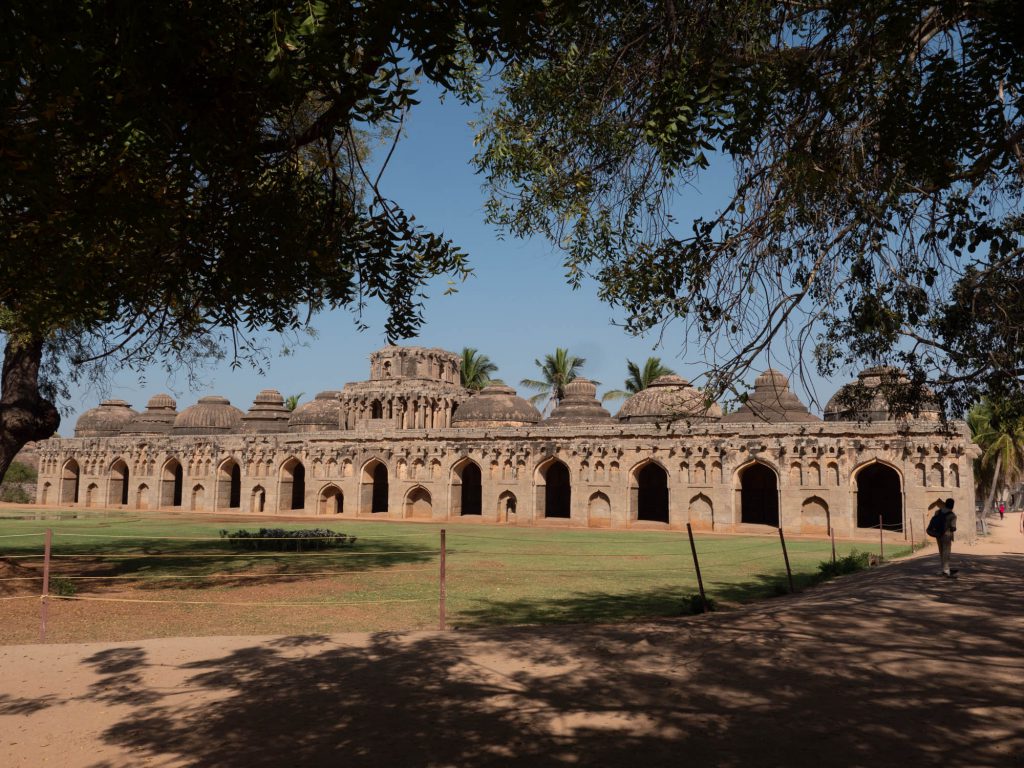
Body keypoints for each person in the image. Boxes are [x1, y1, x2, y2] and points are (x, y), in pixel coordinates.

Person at [931, 498, 958, 577]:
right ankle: (946, 571)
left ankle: (944, 569)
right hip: (946, 535)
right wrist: (953, 528)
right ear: (952, 505)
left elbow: (934, 522)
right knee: (946, 552)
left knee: (941, 551)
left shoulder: (937, 512)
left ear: (945, 504)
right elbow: (953, 528)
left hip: (938, 534)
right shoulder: (952, 515)